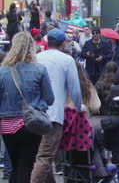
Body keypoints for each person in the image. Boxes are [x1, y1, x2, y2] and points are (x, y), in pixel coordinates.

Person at [0, 32, 54, 182]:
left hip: (7, 125)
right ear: (31, 47)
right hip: (31, 123)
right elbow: (50, 99)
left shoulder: (2, 71)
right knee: (26, 166)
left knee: (15, 166)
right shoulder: (39, 69)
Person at [31, 29, 82, 183]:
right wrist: (79, 108)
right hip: (53, 115)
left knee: (44, 155)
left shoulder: (36, 57)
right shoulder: (67, 60)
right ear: (63, 42)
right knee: (45, 157)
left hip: (32, 114)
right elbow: (75, 90)